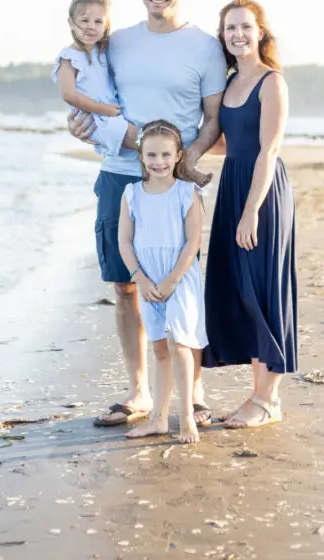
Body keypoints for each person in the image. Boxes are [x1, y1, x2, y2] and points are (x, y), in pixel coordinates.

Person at [68, 0, 226, 428]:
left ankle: (192, 393)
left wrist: (188, 160)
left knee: (181, 286)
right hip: (119, 173)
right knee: (125, 285)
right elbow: (86, 87)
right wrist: (79, 123)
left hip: (174, 181)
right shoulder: (118, 42)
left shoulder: (205, 47)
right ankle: (138, 393)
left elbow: (213, 118)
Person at [203, 0, 298, 428]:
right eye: (229, 29)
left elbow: (269, 149)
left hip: (261, 194)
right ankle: (259, 395)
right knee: (238, 287)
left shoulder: (271, 82)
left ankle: (268, 399)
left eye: (245, 27)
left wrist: (251, 211)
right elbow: (228, 141)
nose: (237, 35)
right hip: (232, 184)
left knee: (262, 289)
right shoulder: (228, 82)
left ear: (261, 32)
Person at [118, 120, 207, 444]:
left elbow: (193, 241)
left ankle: (185, 417)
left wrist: (172, 279)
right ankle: (157, 418)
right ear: (141, 156)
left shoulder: (187, 192)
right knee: (159, 348)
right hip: (147, 277)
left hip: (178, 276)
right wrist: (139, 278)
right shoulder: (132, 194)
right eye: (151, 154)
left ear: (178, 155)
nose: (158, 161)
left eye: (166, 154)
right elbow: (125, 242)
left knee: (179, 343)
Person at [53, 0, 137, 158]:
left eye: (98, 21)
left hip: (111, 115)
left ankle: (179, 176)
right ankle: (182, 172)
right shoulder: (69, 58)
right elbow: (68, 94)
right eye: (84, 20)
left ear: (106, 25)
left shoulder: (103, 51)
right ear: (71, 22)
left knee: (152, 146)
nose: (91, 26)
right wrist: (103, 109)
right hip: (95, 120)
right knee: (147, 142)